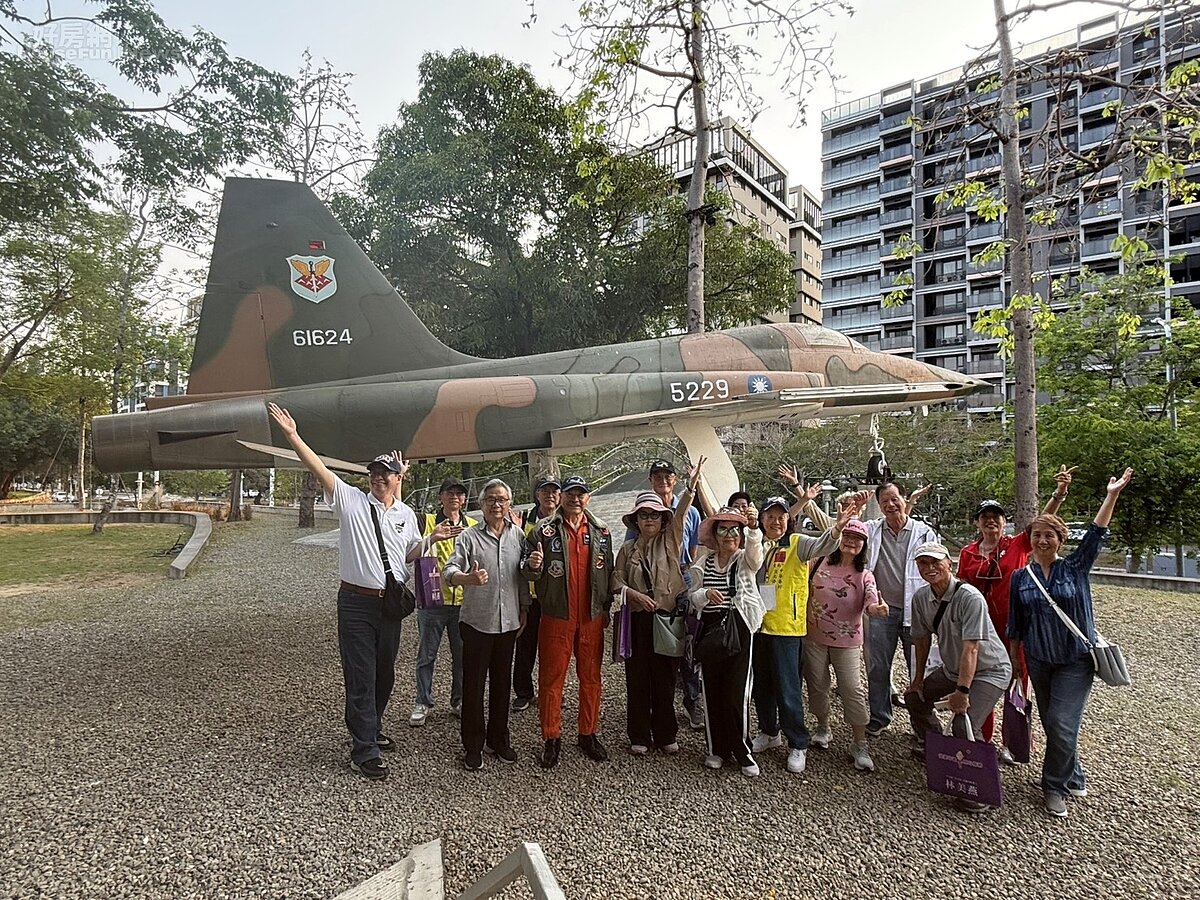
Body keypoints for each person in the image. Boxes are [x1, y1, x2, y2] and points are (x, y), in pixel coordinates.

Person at [266, 403, 452, 780]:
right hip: (355, 603)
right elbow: (318, 467)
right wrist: (292, 435)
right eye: (374, 473)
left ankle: (371, 727)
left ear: (398, 478)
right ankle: (363, 749)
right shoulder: (351, 501)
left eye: (386, 473)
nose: (378, 478)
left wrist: (431, 538)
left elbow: (409, 554)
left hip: (390, 604)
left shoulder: (406, 514)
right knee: (361, 674)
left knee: (385, 674)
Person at [1008, 467, 1133, 819]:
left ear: (1060, 540)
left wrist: (1112, 495)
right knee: (1052, 723)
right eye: (1037, 535)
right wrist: (1017, 661)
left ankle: (1054, 786)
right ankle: (1073, 773)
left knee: (1063, 724)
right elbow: (1016, 623)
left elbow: (1096, 533)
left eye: (1050, 535)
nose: (1042, 541)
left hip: (1075, 660)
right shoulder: (1022, 577)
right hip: (1038, 658)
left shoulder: (1075, 568)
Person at [956, 465, 1073, 762]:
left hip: (1014, 624)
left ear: (1004, 522)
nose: (990, 521)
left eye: (996, 517)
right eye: (985, 517)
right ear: (977, 523)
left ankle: (1015, 741)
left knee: (1016, 681)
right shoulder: (968, 553)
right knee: (982, 681)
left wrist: (1059, 493)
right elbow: (960, 588)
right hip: (979, 627)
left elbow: (1042, 522)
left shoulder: (1016, 546)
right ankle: (981, 737)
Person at [750, 492, 862, 775]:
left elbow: (823, 545)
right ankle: (768, 730)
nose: (775, 521)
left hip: (786, 627)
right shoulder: (758, 544)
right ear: (762, 519)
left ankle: (797, 741)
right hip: (757, 625)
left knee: (788, 689)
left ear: (789, 520)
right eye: (770, 516)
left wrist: (837, 527)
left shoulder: (798, 544)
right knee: (762, 685)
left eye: (780, 516)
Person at [906, 541, 1013, 813]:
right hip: (954, 668)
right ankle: (934, 748)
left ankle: (980, 789)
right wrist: (917, 679)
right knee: (914, 698)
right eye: (923, 563)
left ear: (949, 564)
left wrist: (962, 692)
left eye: (935, 562)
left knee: (964, 724)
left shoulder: (970, 597)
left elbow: (972, 648)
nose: (930, 568)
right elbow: (920, 640)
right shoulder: (921, 598)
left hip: (989, 670)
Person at [521, 474, 616, 768]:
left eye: (581, 494)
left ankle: (588, 733)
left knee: (591, 678)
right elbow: (527, 570)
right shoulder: (543, 530)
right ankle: (551, 737)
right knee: (552, 680)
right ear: (562, 496)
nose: (576, 499)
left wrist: (606, 609)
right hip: (556, 616)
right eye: (570, 493)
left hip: (591, 616)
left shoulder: (601, 530)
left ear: (588, 497)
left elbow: (608, 572)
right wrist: (533, 566)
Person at [613, 458, 705, 756]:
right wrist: (633, 594)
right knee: (637, 678)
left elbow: (682, 513)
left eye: (654, 515)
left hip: (666, 618)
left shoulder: (671, 540)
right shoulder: (627, 550)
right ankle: (639, 734)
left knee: (665, 678)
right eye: (643, 515)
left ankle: (666, 733)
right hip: (639, 620)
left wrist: (691, 487)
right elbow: (615, 582)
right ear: (636, 520)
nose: (649, 519)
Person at [442, 479, 528, 771]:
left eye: (502, 500)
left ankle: (499, 739)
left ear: (509, 504)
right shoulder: (468, 537)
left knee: (502, 685)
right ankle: (473, 745)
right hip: (477, 622)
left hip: (508, 622)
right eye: (491, 499)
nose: (496, 505)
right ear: (481, 505)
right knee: (474, 686)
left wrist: (524, 608)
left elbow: (522, 576)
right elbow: (449, 570)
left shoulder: (518, 536)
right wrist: (467, 579)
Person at [804, 518, 889, 772]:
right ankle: (823, 726)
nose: (851, 541)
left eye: (858, 538)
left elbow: (872, 599)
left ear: (864, 544)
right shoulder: (818, 563)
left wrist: (876, 609)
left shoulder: (864, 575)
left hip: (848, 640)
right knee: (817, 684)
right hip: (813, 636)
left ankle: (859, 742)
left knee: (852, 688)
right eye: (847, 535)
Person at [688, 507, 767, 777]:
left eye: (735, 530)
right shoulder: (704, 561)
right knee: (711, 690)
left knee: (736, 692)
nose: (730, 535)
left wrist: (754, 528)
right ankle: (716, 748)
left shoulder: (744, 559)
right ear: (715, 534)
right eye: (723, 530)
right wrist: (705, 594)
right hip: (711, 628)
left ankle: (741, 749)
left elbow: (757, 558)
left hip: (740, 626)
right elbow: (692, 595)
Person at [861, 481, 939, 737]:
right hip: (883, 609)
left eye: (895, 499)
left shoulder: (923, 532)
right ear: (879, 505)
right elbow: (844, 531)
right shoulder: (873, 530)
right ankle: (879, 716)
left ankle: (922, 726)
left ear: (905, 499)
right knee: (877, 665)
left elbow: (937, 567)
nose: (890, 505)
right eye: (884, 501)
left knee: (918, 668)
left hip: (916, 611)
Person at [410, 478, 477, 727]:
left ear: (464, 499)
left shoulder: (472, 525)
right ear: (440, 497)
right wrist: (433, 538)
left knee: (462, 656)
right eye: (450, 493)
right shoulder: (427, 521)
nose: (455, 498)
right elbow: (412, 549)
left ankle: (458, 701)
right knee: (426, 655)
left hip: (463, 602)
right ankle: (422, 701)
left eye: (460, 494)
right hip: (433, 601)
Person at [512, 473, 561, 713]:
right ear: (537, 494)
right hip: (530, 596)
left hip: (555, 597)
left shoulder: (566, 520)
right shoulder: (524, 521)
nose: (550, 495)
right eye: (545, 490)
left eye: (554, 490)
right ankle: (523, 692)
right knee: (525, 646)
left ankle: (550, 691)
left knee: (553, 648)